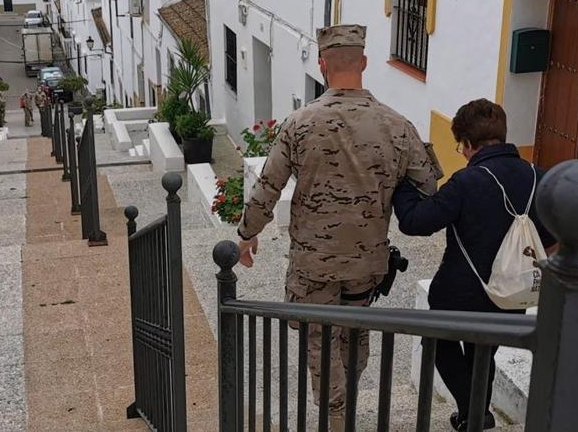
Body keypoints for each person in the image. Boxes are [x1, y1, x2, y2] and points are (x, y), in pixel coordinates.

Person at [237, 24, 442, 427]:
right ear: (363, 63)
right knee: (356, 332)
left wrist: (247, 235)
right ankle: (343, 407)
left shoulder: (299, 123)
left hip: (313, 263)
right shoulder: (397, 125)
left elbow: (269, 185)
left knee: (320, 340)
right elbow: (428, 184)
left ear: (322, 64)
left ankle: (333, 416)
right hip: (367, 262)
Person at [392, 99, 556, 432]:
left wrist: (402, 184)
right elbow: (553, 239)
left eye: (460, 147)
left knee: (439, 344)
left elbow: (414, 222)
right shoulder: (541, 177)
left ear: (468, 144)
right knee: (484, 352)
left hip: (460, 294)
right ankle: (472, 415)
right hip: (511, 294)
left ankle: (473, 413)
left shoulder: (466, 182)